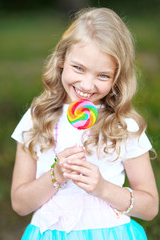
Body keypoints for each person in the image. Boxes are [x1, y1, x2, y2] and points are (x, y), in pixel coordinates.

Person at [11, 7, 159, 240]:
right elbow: (20, 204)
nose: (87, 86)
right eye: (78, 68)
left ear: (117, 78)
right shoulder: (36, 118)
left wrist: (102, 188)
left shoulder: (124, 125)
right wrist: (57, 174)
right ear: (61, 61)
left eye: (103, 75)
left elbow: (150, 208)